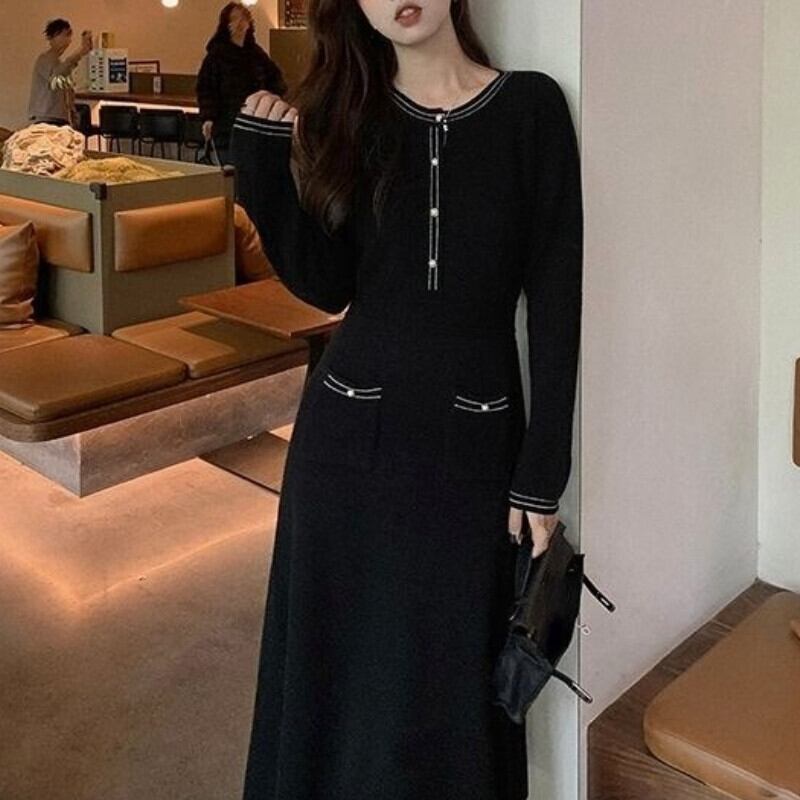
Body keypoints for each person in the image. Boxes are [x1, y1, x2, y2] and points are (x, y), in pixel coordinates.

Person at [231, 0, 583, 796]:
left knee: (449, 687)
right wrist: (262, 169)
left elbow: (556, 299)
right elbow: (327, 284)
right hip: (345, 449)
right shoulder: (348, 116)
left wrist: (542, 473)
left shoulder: (531, 109)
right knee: (336, 684)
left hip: (475, 449)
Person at [196, 2, 287, 165]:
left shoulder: (256, 54)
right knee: (231, 170)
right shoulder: (216, 55)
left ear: (249, 23)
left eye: (243, 19)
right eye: (234, 19)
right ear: (226, 25)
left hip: (254, 125)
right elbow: (206, 89)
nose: (239, 23)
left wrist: (268, 100)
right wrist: (208, 117)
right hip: (226, 125)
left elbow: (276, 80)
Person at [28, 19, 92, 126]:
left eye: (69, 35)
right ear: (51, 37)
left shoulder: (58, 62)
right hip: (46, 117)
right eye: (63, 35)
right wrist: (80, 52)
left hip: (58, 117)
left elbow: (67, 90)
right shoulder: (44, 59)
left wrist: (72, 112)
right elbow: (56, 76)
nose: (67, 39)